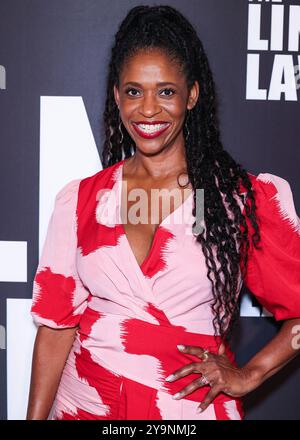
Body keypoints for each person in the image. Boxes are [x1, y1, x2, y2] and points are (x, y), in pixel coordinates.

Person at [26, 5, 300, 420]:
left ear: (191, 95)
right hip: (84, 407)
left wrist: (251, 373)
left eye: (166, 91)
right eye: (134, 91)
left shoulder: (239, 199)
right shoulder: (82, 199)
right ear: (117, 96)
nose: (148, 109)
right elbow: (56, 328)